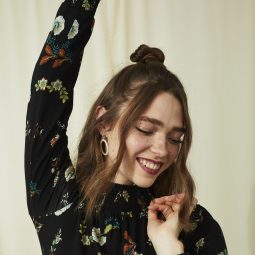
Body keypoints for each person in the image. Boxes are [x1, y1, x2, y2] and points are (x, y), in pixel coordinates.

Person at [24, 0, 227, 254]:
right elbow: (48, 93)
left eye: (175, 138)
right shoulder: (59, 199)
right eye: (145, 129)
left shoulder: (195, 227)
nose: (162, 149)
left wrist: (169, 248)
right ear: (104, 122)